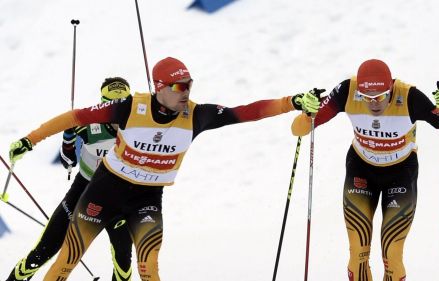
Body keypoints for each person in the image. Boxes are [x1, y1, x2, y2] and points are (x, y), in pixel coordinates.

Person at [8, 57, 320, 281]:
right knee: (67, 259)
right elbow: (74, 117)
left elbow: (245, 111)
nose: (186, 91)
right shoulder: (130, 107)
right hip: (104, 191)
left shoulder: (196, 115)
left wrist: (291, 102)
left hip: (145, 199)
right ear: (160, 88)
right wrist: (30, 139)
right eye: (178, 86)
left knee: (149, 267)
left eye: (189, 84)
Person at [291, 59, 439, 281]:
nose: (374, 104)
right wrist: (308, 113)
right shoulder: (347, 90)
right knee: (358, 251)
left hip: (401, 173)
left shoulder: (410, 97)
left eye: (381, 96)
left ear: (391, 87)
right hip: (361, 170)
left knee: (392, 253)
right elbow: (299, 130)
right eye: (367, 98)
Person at [5, 77, 134, 281]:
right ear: (103, 104)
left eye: (125, 103)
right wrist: (60, 148)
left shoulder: (141, 128)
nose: (120, 111)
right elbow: (66, 132)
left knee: (123, 259)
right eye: (113, 105)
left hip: (119, 196)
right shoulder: (91, 125)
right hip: (83, 190)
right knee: (44, 250)